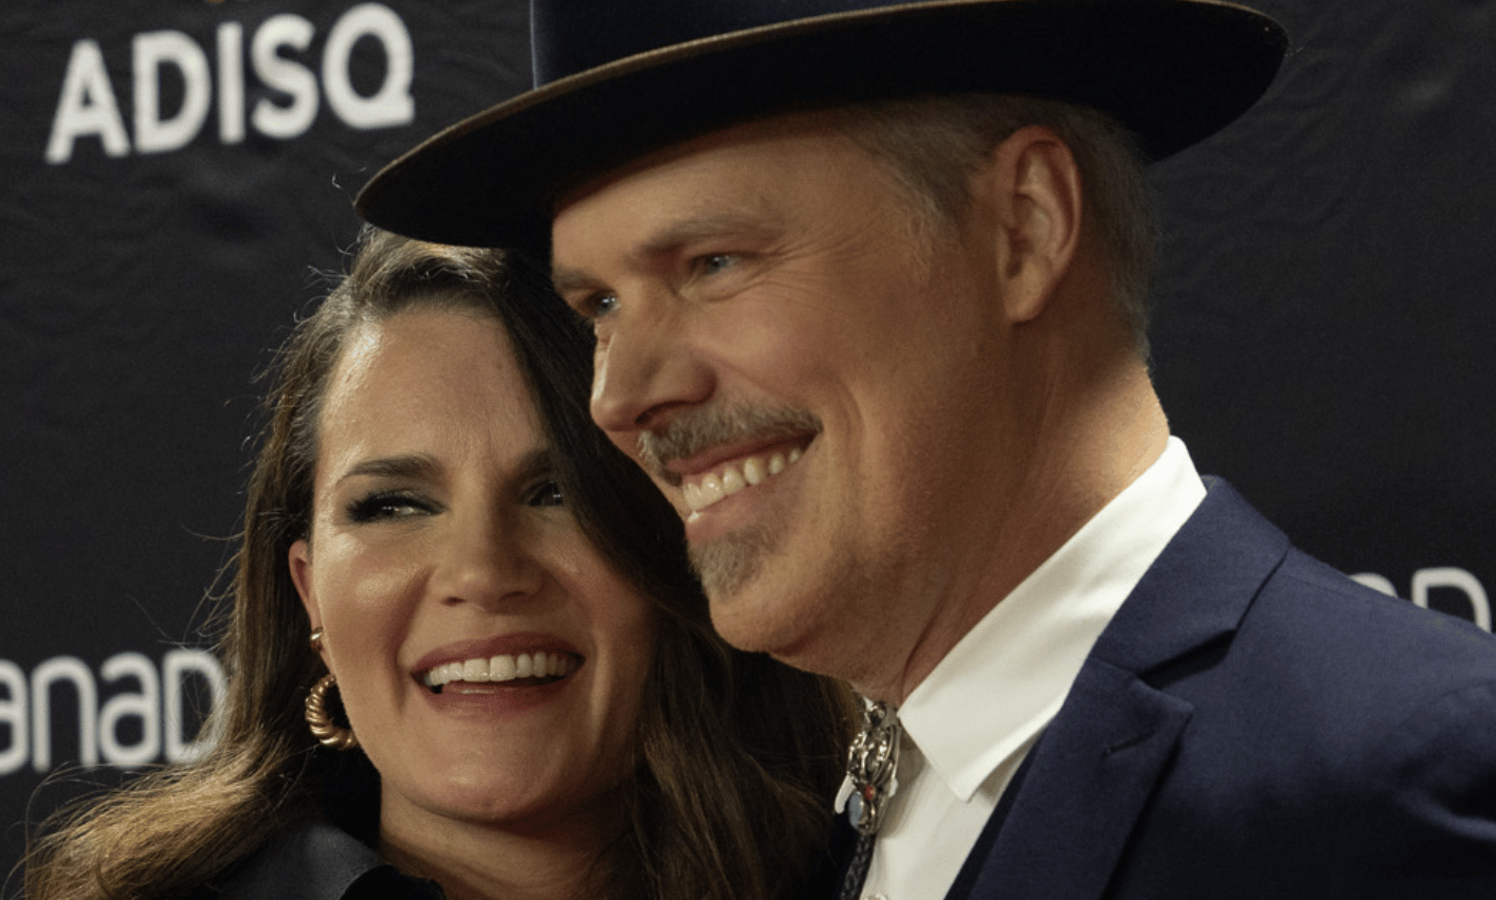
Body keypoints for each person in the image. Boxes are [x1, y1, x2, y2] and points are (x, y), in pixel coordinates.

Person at [352, 1, 1496, 897]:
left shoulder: (1402, 786)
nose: (623, 394)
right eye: (598, 307)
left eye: (712, 265)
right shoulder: (839, 830)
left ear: (1024, 227)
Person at [23, 227, 853, 900]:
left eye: (556, 492)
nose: (483, 572)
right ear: (310, 592)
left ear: (681, 546)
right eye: (395, 506)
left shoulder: (893, 874)